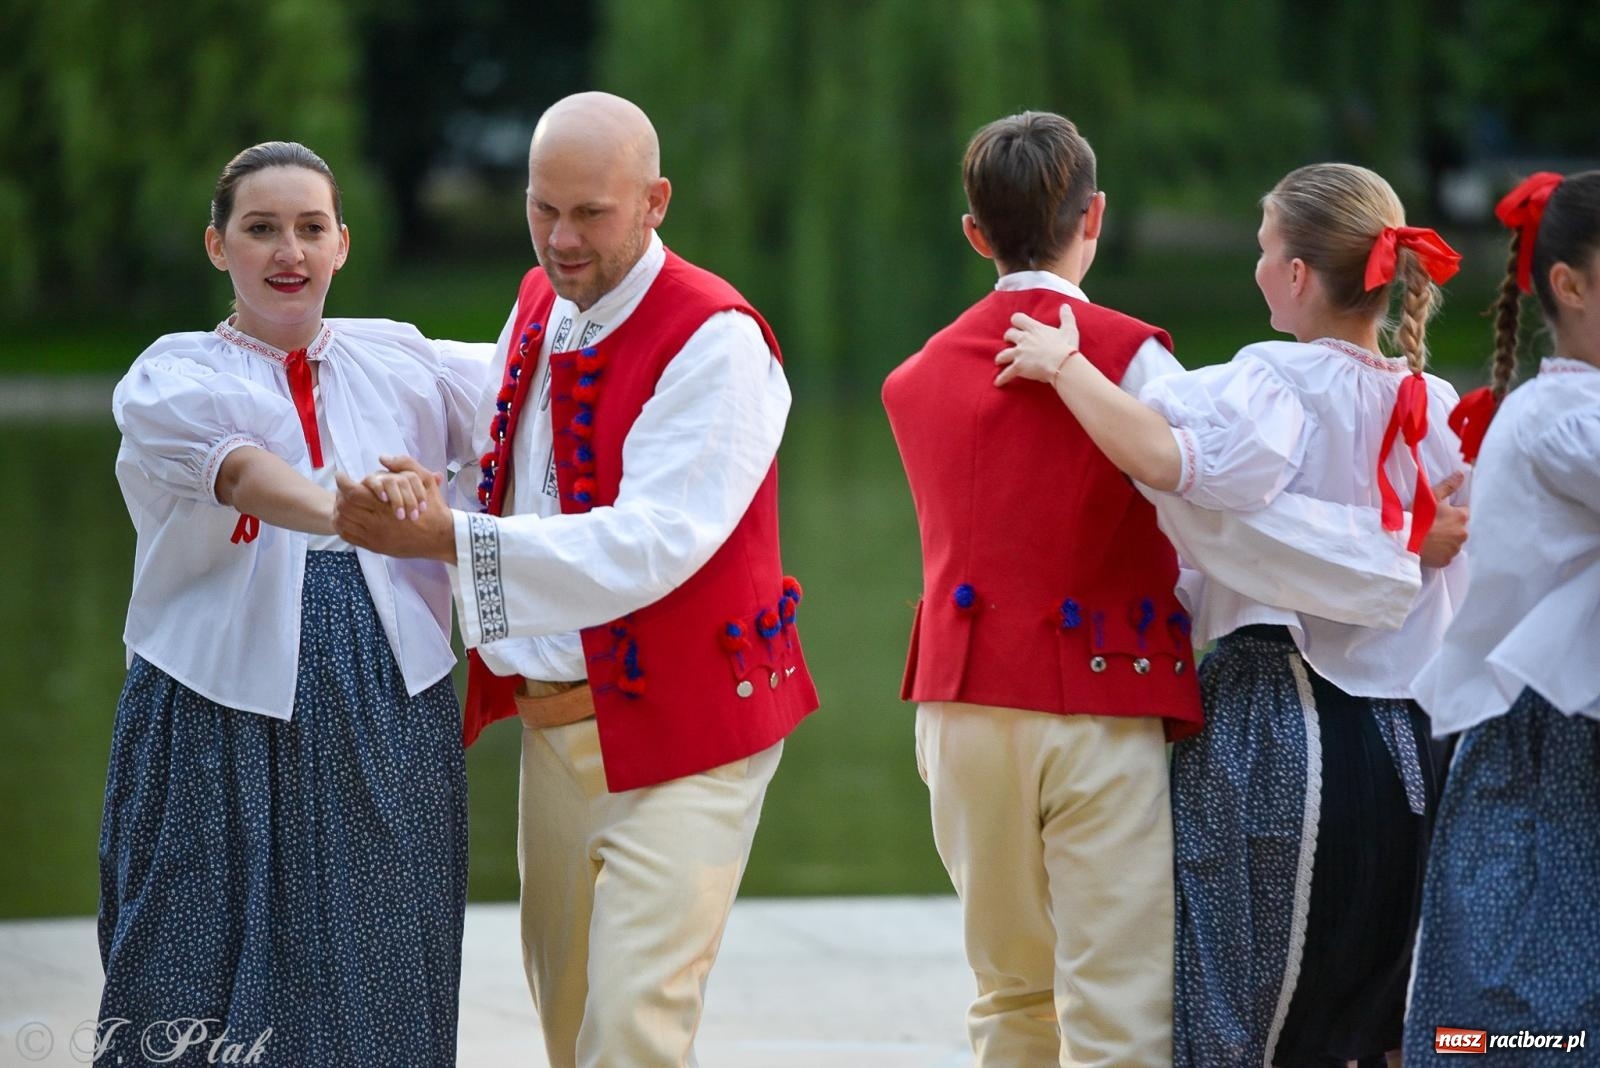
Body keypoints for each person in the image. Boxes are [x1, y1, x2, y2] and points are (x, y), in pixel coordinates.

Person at [332, 92, 818, 1068]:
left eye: (590, 213)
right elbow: (511, 441)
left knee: (632, 1027)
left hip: (688, 727)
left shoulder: (717, 339)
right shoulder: (542, 303)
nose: (560, 239)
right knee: (568, 1023)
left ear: (655, 202)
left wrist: (448, 538)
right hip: (554, 731)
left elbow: (651, 542)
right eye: (541, 208)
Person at [995, 162, 1470, 1066]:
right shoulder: (1436, 406)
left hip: (1278, 728)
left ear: (1296, 274)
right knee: (1378, 1025)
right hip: (1412, 751)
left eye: (1262, 250)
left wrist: (1067, 369)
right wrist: (1405, 545)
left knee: (1238, 1020)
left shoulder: (1271, 382)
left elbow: (1176, 467)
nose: (1255, 268)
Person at [98, 141, 488, 1066]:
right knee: (189, 953)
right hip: (210, 700)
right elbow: (238, 470)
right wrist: (342, 511)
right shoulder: (173, 374)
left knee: (384, 949)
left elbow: (533, 397)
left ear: (342, 244)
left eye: (311, 228)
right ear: (217, 246)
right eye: (261, 228)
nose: (290, 251)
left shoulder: (403, 359)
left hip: (386, 697)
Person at [881, 111, 1205, 1067]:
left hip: (962, 702)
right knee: (1118, 1006)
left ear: (974, 232)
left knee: (1010, 992)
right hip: (1104, 693)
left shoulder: (913, 379)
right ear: (1093, 216)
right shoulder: (1137, 358)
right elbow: (1205, 511)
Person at [1403, 171, 1600, 1060]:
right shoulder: (1555, 415)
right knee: (1531, 1023)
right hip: (1545, 752)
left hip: (1564, 749)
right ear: (1569, 285)